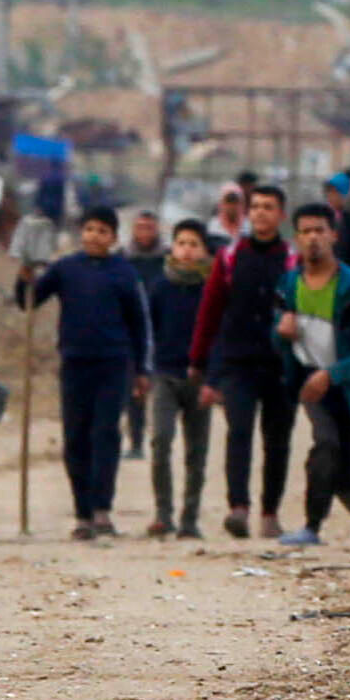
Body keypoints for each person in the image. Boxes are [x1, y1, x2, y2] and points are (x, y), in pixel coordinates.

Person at [8, 204, 154, 538]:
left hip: (114, 364)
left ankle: (102, 509)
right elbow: (28, 301)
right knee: (76, 438)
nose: (94, 236)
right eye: (89, 229)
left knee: (105, 434)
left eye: (102, 231)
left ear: (114, 238)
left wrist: (142, 369)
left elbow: (138, 323)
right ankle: (82, 514)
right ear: (81, 233)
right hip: (74, 364)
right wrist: (25, 276)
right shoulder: (65, 269)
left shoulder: (124, 272)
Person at [275, 204, 350, 548]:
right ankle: (312, 527)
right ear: (296, 238)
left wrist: (334, 374)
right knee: (325, 446)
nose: (313, 238)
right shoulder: (290, 284)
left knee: (346, 470)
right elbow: (282, 337)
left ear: (333, 236)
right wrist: (281, 334)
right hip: (313, 387)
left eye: (320, 230)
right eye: (306, 231)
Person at [190, 184, 298, 540]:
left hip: (282, 365)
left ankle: (270, 512)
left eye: (269, 207)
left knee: (277, 439)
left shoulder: (293, 260)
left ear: (281, 214)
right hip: (239, 362)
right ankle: (239, 508)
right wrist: (200, 361)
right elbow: (210, 311)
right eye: (256, 207)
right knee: (238, 433)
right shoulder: (230, 256)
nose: (262, 213)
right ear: (248, 213)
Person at [145, 218, 217, 540]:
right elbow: (149, 331)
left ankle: (190, 518)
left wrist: (214, 377)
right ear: (172, 247)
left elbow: (219, 333)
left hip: (200, 378)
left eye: (194, 244)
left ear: (204, 251)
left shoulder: (213, 289)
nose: (187, 251)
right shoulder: (159, 287)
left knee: (196, 452)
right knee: (161, 440)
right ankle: (163, 513)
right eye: (181, 243)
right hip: (165, 375)